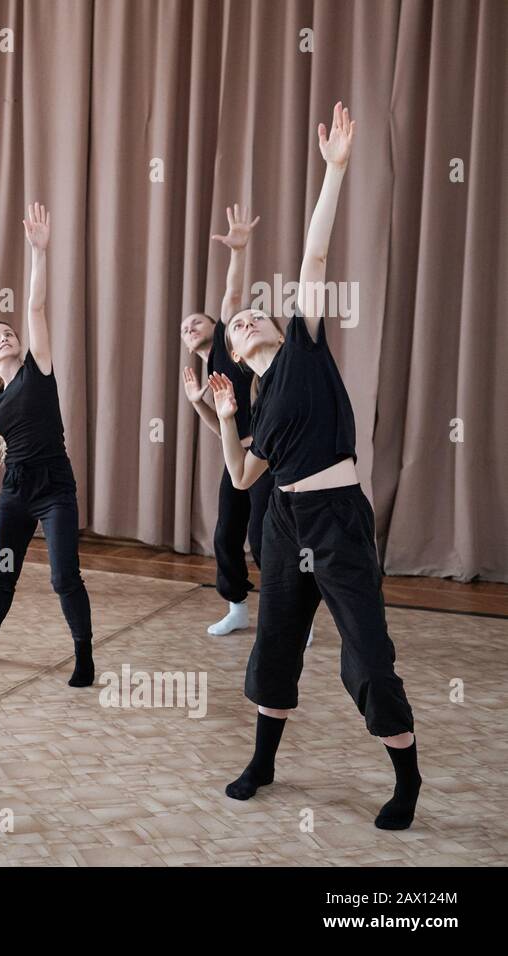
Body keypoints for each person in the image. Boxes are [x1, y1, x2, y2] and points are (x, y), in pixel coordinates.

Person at [210, 103, 420, 830]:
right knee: (275, 642)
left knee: (365, 650)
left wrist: (333, 172)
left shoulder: (302, 346)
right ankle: (264, 760)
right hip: (281, 519)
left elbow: (315, 261)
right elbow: (241, 479)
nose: (245, 321)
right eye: (236, 326)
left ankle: (406, 773)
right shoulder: (256, 403)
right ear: (235, 355)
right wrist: (227, 422)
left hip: (336, 517)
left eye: (249, 315)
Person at [0, 202, 95, 688]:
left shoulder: (40, 370)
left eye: (7, 333)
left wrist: (39, 253)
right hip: (14, 491)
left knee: (63, 577)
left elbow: (34, 307)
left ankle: (84, 655)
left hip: (54, 488)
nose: (4, 336)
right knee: (2, 572)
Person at [180, 204, 275, 637]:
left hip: (268, 456)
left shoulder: (229, 342)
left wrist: (238, 252)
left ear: (219, 328)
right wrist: (198, 404)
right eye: (183, 328)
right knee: (225, 535)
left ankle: (292, 611)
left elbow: (233, 295)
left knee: (264, 536)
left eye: (196, 321)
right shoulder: (207, 376)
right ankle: (237, 607)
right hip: (238, 456)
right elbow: (225, 433)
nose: (189, 328)